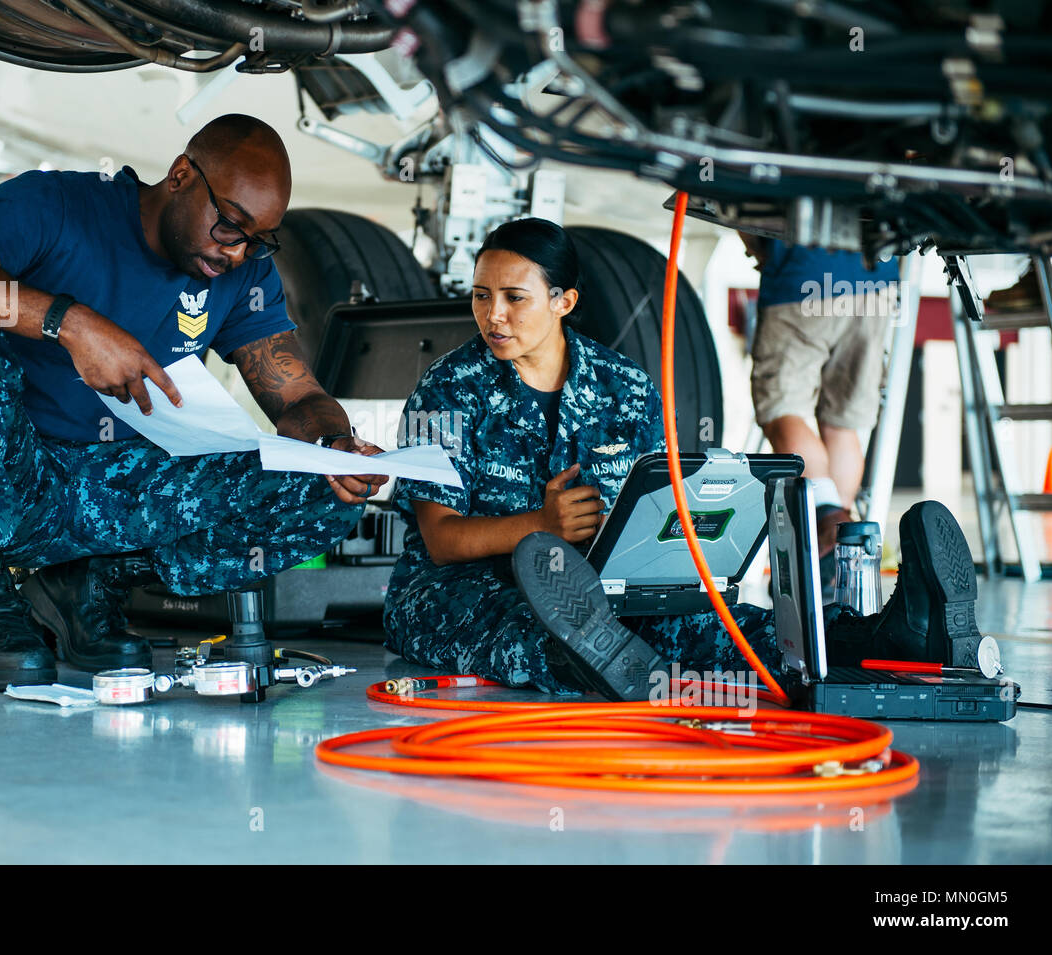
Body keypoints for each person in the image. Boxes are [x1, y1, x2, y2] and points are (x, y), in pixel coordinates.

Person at [0, 114, 388, 691]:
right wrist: (69, 323)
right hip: (11, 475)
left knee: (322, 488)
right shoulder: (60, 204)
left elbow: (297, 394)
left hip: (112, 488)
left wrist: (331, 445)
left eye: (258, 239)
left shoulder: (241, 275)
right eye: (230, 226)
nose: (240, 253)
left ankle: (89, 583)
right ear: (181, 176)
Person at [384, 218, 987, 699]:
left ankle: (895, 637)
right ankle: (624, 666)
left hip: (601, 587)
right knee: (537, 633)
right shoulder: (446, 388)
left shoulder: (624, 385)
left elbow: (656, 511)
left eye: (515, 297)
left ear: (564, 301)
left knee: (730, 630)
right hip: (462, 588)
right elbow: (439, 541)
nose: (493, 315)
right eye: (482, 295)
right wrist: (538, 529)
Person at [740, 236, 901, 565]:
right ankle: (838, 548)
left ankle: (829, 520)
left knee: (783, 409)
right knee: (842, 424)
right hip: (876, 281)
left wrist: (760, 249)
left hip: (804, 277)